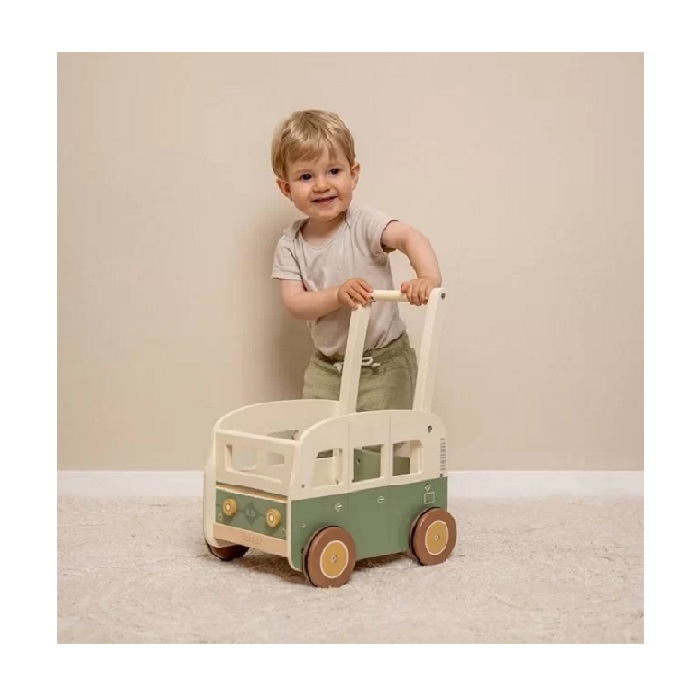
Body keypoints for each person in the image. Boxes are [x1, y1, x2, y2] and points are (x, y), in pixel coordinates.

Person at [270, 109, 442, 412]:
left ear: (354, 174)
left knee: (381, 438)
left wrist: (427, 277)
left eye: (333, 171)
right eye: (306, 176)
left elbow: (409, 238)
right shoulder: (290, 244)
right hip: (328, 367)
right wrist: (338, 295)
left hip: (382, 365)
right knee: (317, 435)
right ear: (286, 187)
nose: (321, 185)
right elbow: (295, 303)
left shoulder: (363, 224)